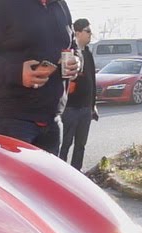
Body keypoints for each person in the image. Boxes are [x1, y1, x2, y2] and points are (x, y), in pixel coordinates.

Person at [0, 0, 78, 155]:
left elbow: (72, 44)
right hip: (14, 118)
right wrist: (17, 73)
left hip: (53, 117)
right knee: (15, 179)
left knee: (46, 179)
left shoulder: (60, 5)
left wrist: (77, 60)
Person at [60, 18, 98, 169]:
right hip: (70, 108)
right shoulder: (67, 54)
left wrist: (93, 105)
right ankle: (60, 173)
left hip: (85, 109)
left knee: (80, 144)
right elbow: (63, 80)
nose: (90, 34)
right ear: (77, 33)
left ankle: (77, 172)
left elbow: (92, 81)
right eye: (88, 31)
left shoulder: (88, 54)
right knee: (65, 143)